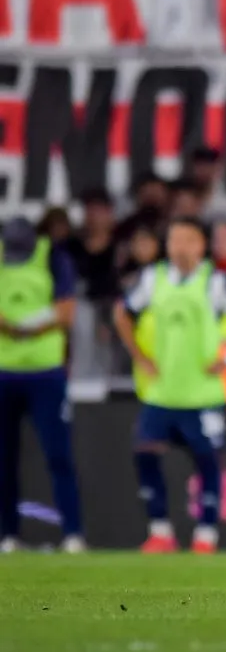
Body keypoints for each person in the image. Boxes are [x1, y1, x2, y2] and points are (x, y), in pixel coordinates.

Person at [113, 216, 226, 554]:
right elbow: (122, 313)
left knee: (207, 462)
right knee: (145, 455)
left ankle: (206, 535)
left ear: (201, 245)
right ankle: (160, 530)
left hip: (202, 394)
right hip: (162, 392)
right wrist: (139, 355)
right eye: (174, 240)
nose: (180, 247)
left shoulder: (216, 282)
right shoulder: (153, 279)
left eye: (187, 240)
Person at [0, 217, 85, 553]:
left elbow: (67, 312)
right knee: (3, 460)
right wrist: (38, 322)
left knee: (59, 456)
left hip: (46, 372)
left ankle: (74, 534)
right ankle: (8, 536)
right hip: (3, 371)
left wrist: (21, 328)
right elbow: (57, 313)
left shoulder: (53, 257)